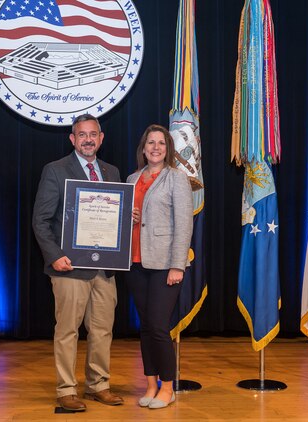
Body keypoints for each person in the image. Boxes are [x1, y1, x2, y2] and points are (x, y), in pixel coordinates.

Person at [32, 114, 124, 412]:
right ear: (72, 139)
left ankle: (99, 385)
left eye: (92, 134)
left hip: (104, 268)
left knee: (102, 331)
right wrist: (54, 255)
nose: (87, 139)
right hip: (69, 267)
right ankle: (66, 389)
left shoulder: (112, 172)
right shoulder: (56, 170)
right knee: (68, 331)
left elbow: (114, 220)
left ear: (101, 137)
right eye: (81, 134)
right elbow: (41, 221)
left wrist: (128, 219)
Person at [126, 124, 193, 409]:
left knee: (158, 327)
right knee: (145, 328)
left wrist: (178, 265)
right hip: (135, 262)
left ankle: (168, 386)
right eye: (150, 143)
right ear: (143, 148)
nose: (155, 148)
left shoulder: (177, 179)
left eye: (161, 143)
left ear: (168, 149)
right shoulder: (131, 178)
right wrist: (126, 216)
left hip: (165, 264)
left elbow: (184, 225)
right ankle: (151, 384)